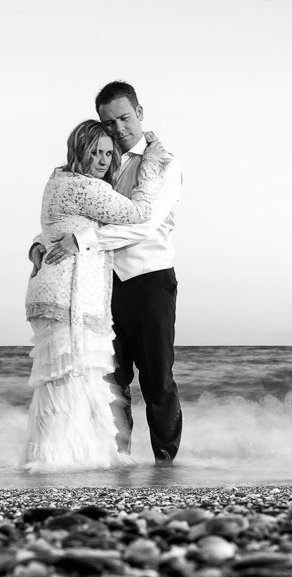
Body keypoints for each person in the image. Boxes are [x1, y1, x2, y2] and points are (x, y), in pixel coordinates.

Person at [30, 81, 184, 464]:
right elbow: (70, 212)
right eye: (109, 121)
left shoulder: (163, 163)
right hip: (100, 285)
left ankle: (165, 464)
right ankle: (118, 462)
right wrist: (41, 242)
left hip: (149, 280)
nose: (118, 128)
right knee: (110, 380)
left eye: (124, 117)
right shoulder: (99, 161)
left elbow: (141, 225)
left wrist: (82, 240)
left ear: (140, 113)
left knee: (157, 379)